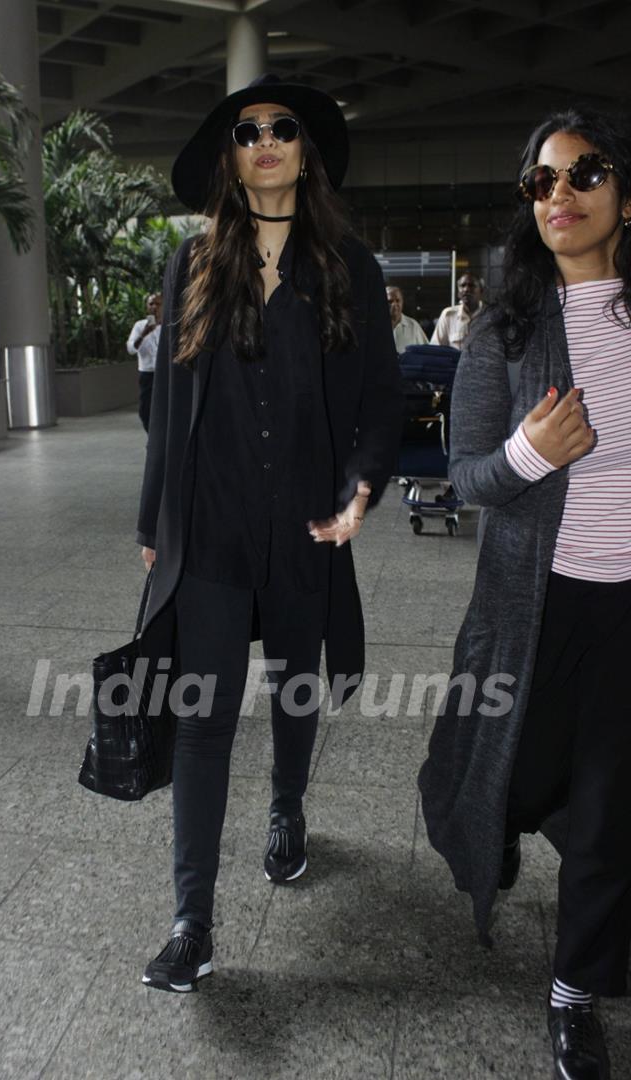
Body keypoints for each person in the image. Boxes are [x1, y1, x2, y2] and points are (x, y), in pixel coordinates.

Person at [135, 74, 403, 994]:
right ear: (231, 155)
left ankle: (287, 809)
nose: (266, 142)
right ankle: (191, 921)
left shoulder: (349, 268)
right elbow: (170, 404)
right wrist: (152, 520)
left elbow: (378, 402)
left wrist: (362, 488)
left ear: (305, 151)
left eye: (283, 129)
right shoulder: (194, 261)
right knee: (205, 722)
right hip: (209, 528)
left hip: (305, 527)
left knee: (293, 688)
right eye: (248, 131)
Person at [418, 106, 631, 1080]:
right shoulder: (507, 326)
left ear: (624, 192)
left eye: (584, 173)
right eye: (540, 181)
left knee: (610, 813)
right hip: (533, 614)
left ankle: (574, 990)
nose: (562, 195)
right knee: (516, 775)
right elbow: (462, 477)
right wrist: (526, 454)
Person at [127, 292, 163, 431]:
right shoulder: (139, 326)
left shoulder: (170, 326)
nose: (154, 307)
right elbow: (130, 349)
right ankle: (152, 440)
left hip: (165, 374)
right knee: (145, 411)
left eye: (158, 304)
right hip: (147, 375)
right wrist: (144, 334)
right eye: (151, 304)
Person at [431, 273, 484, 349]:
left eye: (471, 285)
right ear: (458, 292)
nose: (466, 289)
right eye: (462, 286)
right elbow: (435, 349)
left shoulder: (491, 316)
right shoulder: (448, 315)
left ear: (481, 290)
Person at [386, 284, 428, 352]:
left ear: (402, 302)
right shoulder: (375, 326)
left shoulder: (413, 325)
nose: (394, 304)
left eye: (397, 300)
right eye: (390, 301)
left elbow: (425, 352)